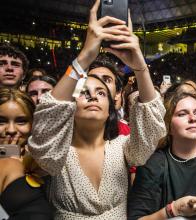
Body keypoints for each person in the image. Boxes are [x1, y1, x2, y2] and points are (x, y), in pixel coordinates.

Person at [27, 0, 166, 218]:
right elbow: (46, 125)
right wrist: (84, 57)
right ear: (69, 107)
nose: (93, 95)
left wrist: (140, 66)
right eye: (83, 92)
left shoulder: (123, 148)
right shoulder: (57, 153)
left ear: (110, 108)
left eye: (101, 92)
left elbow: (151, 126)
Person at [0, 88, 54, 219]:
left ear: (33, 124)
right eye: (1, 121)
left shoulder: (43, 158)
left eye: (21, 121)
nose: (11, 130)